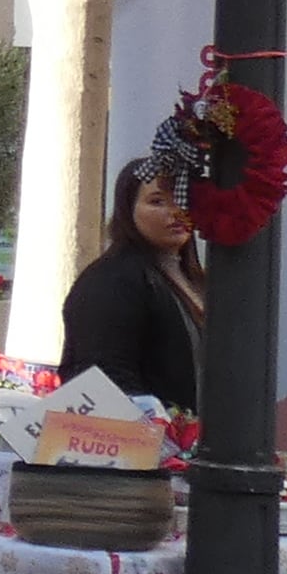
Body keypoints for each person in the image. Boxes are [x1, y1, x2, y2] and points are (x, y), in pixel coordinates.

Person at [58, 163, 207, 410]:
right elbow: (104, 378)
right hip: (142, 439)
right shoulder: (111, 279)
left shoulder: (197, 279)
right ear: (128, 210)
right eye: (157, 202)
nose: (176, 212)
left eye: (182, 198)